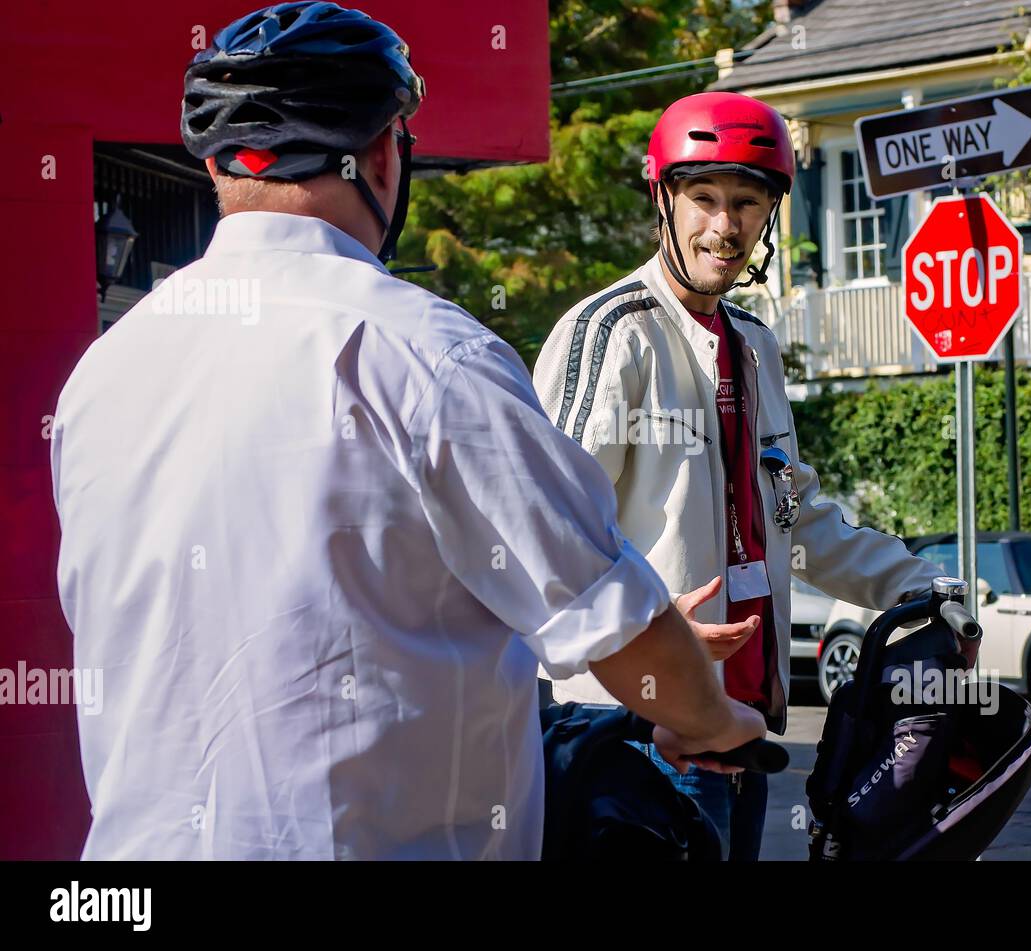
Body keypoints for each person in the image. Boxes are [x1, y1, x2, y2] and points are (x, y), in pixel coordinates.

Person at [51, 2, 764, 861]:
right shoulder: (429, 355)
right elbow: (613, 625)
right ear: (386, 154)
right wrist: (711, 719)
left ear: (217, 168)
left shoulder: (102, 373)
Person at [533, 92, 953, 860]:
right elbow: (548, 533)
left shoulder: (753, 345)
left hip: (740, 734)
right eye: (704, 198)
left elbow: (796, 514)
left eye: (747, 202)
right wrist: (648, 639)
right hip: (637, 734)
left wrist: (920, 587)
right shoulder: (613, 332)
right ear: (663, 197)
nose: (724, 226)